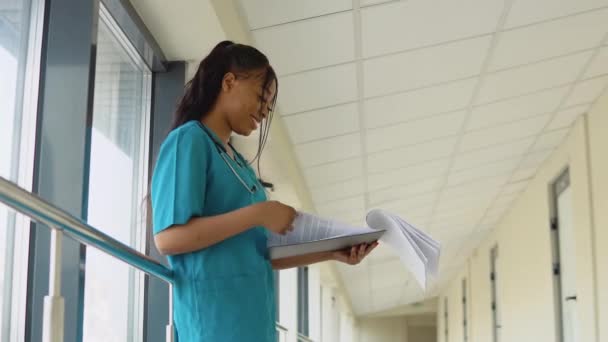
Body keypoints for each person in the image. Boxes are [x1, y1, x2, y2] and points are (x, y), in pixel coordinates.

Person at [150, 40, 378, 341]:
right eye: (260, 97)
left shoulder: (239, 165)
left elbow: (259, 254)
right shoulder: (189, 141)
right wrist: (258, 213)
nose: (264, 111)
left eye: (269, 105)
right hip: (214, 325)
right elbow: (168, 238)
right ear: (229, 82)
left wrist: (334, 252)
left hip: (254, 324)